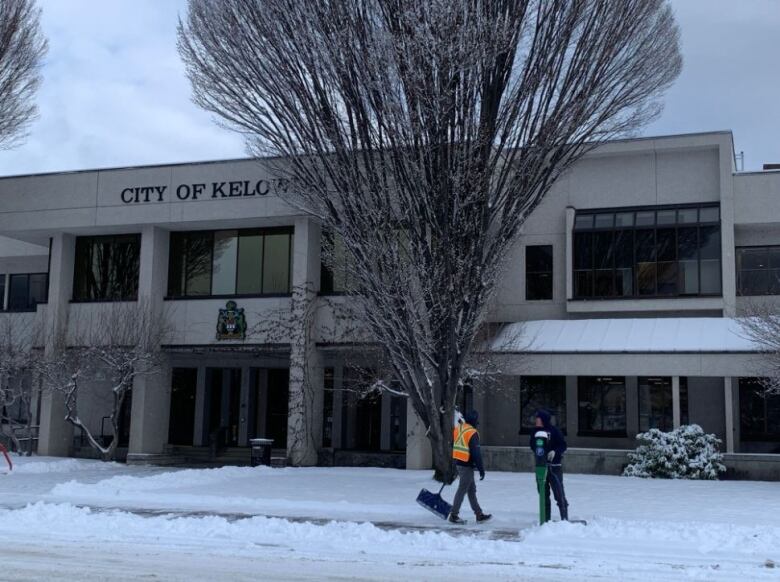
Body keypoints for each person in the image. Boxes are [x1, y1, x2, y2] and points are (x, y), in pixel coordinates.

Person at [449, 410, 492, 524]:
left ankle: (479, 514)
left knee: (471, 490)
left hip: (459, 463)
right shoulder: (472, 433)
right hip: (466, 466)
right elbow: (476, 453)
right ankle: (454, 515)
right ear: (475, 421)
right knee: (462, 490)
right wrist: (481, 469)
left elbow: (453, 444)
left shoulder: (459, 428)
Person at [529, 409, 568, 521]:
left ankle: (564, 519)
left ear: (543, 419)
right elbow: (532, 445)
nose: (536, 420)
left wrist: (555, 452)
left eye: (538, 418)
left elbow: (563, 445)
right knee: (543, 494)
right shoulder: (534, 432)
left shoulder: (555, 431)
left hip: (554, 466)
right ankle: (546, 519)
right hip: (541, 466)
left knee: (559, 494)